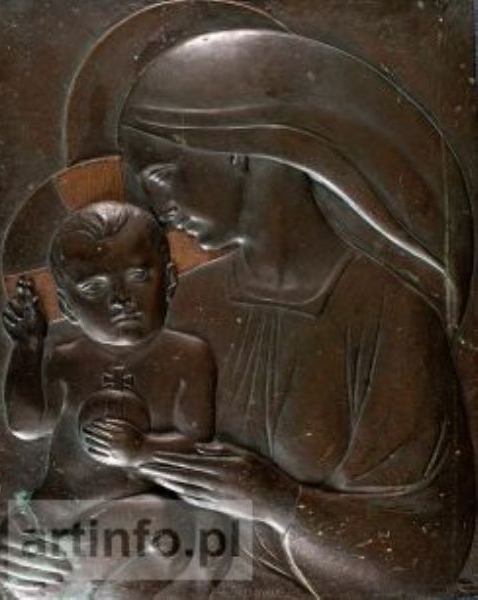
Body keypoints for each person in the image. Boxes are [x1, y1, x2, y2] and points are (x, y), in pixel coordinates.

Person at [118, 28, 476, 598]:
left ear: (235, 147)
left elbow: (430, 557)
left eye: (160, 175)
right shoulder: (188, 301)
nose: (157, 210)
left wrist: (279, 502)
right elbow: (131, 491)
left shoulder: (388, 310)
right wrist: (49, 544)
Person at [0, 201, 219, 597]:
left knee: (162, 517)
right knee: (25, 548)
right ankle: (56, 566)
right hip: (56, 512)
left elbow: (197, 445)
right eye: (93, 287)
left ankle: (69, 566)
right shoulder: (66, 359)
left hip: (135, 521)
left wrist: (142, 450)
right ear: (68, 307)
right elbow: (27, 425)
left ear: (169, 280)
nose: (121, 298)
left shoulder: (188, 356)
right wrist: (28, 348)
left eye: (138, 276)